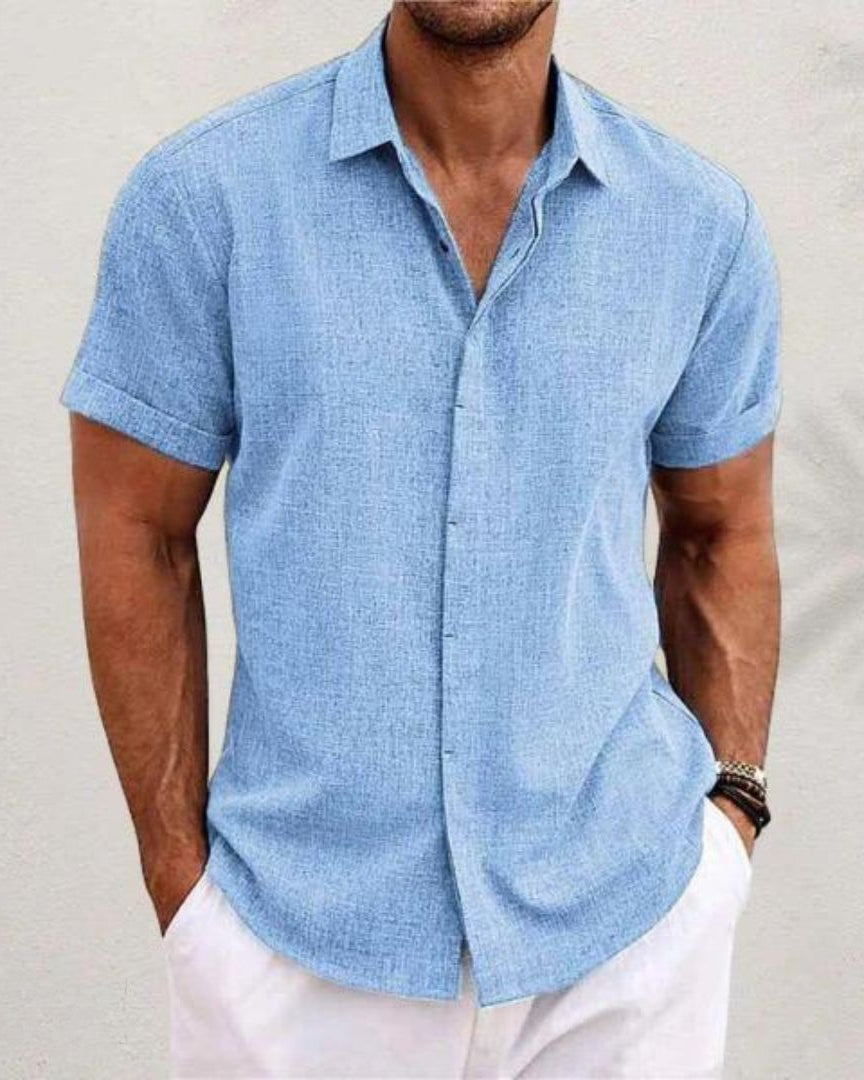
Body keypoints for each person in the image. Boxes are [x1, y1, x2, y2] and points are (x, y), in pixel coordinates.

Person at [59, 2, 781, 1076]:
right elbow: (137, 531)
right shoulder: (205, 199)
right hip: (294, 952)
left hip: (628, 941)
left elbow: (722, 533)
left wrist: (733, 817)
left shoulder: (698, 224)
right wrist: (184, 894)